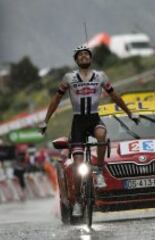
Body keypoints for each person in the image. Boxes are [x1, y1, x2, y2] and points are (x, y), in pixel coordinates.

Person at [39, 45, 139, 216]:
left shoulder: (101, 76)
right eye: (81, 55)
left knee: (101, 134)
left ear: (91, 58)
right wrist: (45, 121)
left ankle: (99, 171)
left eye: (87, 54)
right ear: (76, 60)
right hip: (78, 122)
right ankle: (78, 201)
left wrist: (130, 113)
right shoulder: (68, 78)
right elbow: (56, 100)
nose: (84, 56)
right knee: (78, 166)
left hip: (94, 118)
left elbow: (115, 96)